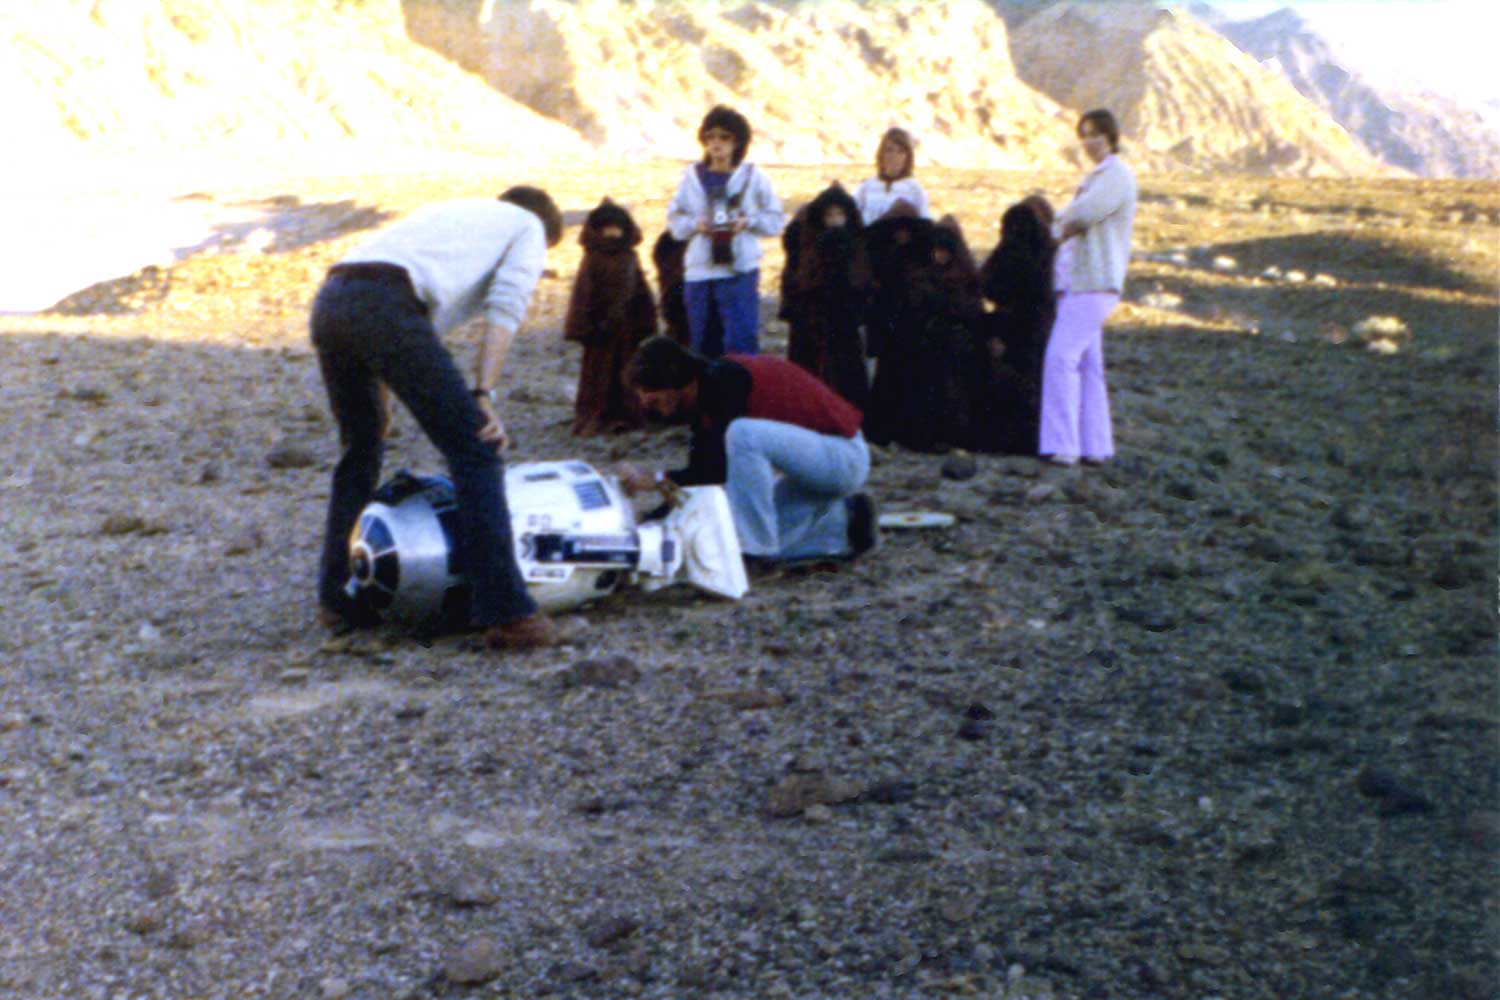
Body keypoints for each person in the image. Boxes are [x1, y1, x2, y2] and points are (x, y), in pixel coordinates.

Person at [309, 186, 573, 649]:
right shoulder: (527, 226)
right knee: (476, 448)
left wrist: (383, 391)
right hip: (384, 305)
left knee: (362, 449)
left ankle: (337, 600)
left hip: (332, 300)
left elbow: (404, 315)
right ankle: (508, 614)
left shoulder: (456, 214)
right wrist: (483, 393)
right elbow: (506, 308)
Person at [614, 336, 878, 567]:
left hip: (842, 457)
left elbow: (715, 471)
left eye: (653, 395)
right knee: (722, 539)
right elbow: (702, 477)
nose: (649, 404)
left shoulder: (725, 383)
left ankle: (755, 552)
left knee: (743, 434)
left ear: (677, 385)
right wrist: (651, 518)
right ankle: (845, 524)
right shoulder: (704, 395)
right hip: (812, 470)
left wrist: (656, 480)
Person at [1039, 109, 1137, 467]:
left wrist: (1056, 226)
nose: (1089, 141)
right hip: (1081, 282)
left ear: (1111, 136)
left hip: (1092, 282)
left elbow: (1084, 214)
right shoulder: (1099, 176)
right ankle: (1095, 444)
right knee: (1087, 364)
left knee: (1060, 358)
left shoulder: (1115, 175)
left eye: (1095, 134)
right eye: (1084, 135)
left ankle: (1063, 444)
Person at [665, 105, 784, 358]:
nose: (716, 144)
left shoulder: (753, 177)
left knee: (740, 343)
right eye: (710, 137)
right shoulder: (691, 178)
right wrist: (696, 225)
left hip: (738, 269)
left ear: (738, 141)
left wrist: (747, 221)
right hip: (700, 272)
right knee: (703, 345)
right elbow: (675, 221)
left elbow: (775, 220)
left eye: (724, 137)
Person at [564, 198, 658, 436]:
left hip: (627, 331)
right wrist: (585, 326)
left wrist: (646, 322)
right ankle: (597, 417)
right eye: (607, 228)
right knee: (598, 376)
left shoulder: (629, 257)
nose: (612, 234)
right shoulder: (592, 258)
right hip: (600, 331)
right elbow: (583, 295)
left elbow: (640, 291)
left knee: (627, 374)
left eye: (617, 228)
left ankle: (627, 415)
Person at [974, 196, 1059, 455]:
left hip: (1015, 324)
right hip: (1037, 325)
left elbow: (987, 284)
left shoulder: (1010, 251)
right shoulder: (1049, 252)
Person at [781, 182, 872, 412]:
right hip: (810, 319)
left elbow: (863, 283)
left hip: (843, 319)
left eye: (839, 214)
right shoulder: (806, 244)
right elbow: (794, 280)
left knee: (845, 374)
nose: (834, 220)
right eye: (829, 214)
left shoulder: (857, 244)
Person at [854, 127, 931, 226]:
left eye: (900, 151)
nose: (894, 156)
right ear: (881, 154)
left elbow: (924, 225)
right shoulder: (866, 187)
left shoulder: (915, 190)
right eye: (889, 150)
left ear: (908, 157)